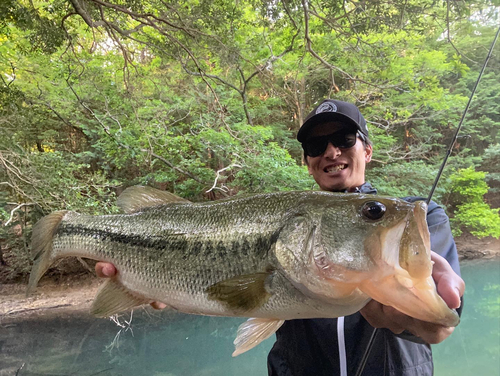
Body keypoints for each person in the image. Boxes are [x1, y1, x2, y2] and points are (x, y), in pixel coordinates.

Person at [96, 99, 465, 376]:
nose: (331, 152)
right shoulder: (286, 217)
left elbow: (438, 324)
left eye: (344, 138)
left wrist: (429, 316)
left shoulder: (419, 215)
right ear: (307, 161)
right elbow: (238, 294)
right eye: (316, 146)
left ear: (367, 149)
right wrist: (156, 284)